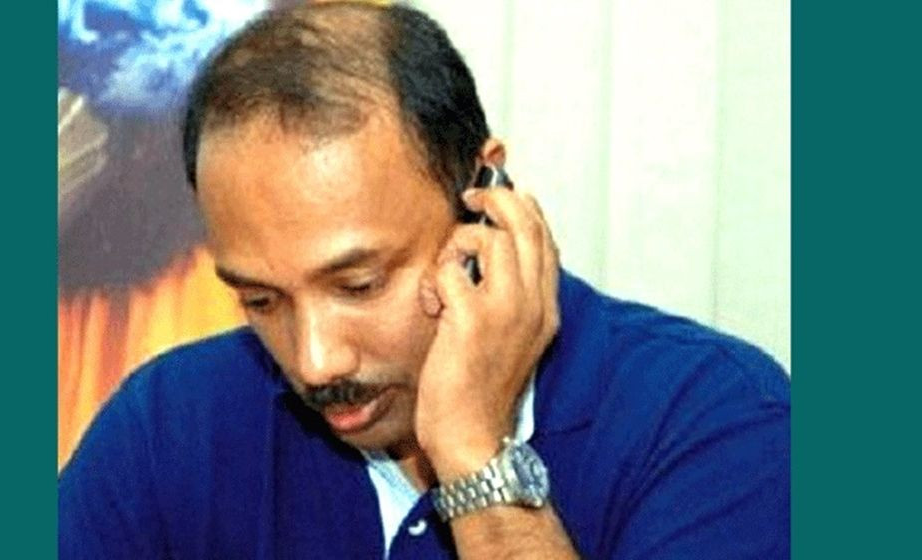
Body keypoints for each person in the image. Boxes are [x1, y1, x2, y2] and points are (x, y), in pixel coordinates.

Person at [58, 2, 790, 558]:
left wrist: (474, 456)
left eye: (359, 285)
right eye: (261, 300)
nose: (316, 361)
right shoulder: (166, 427)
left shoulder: (714, 420)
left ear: (483, 192)